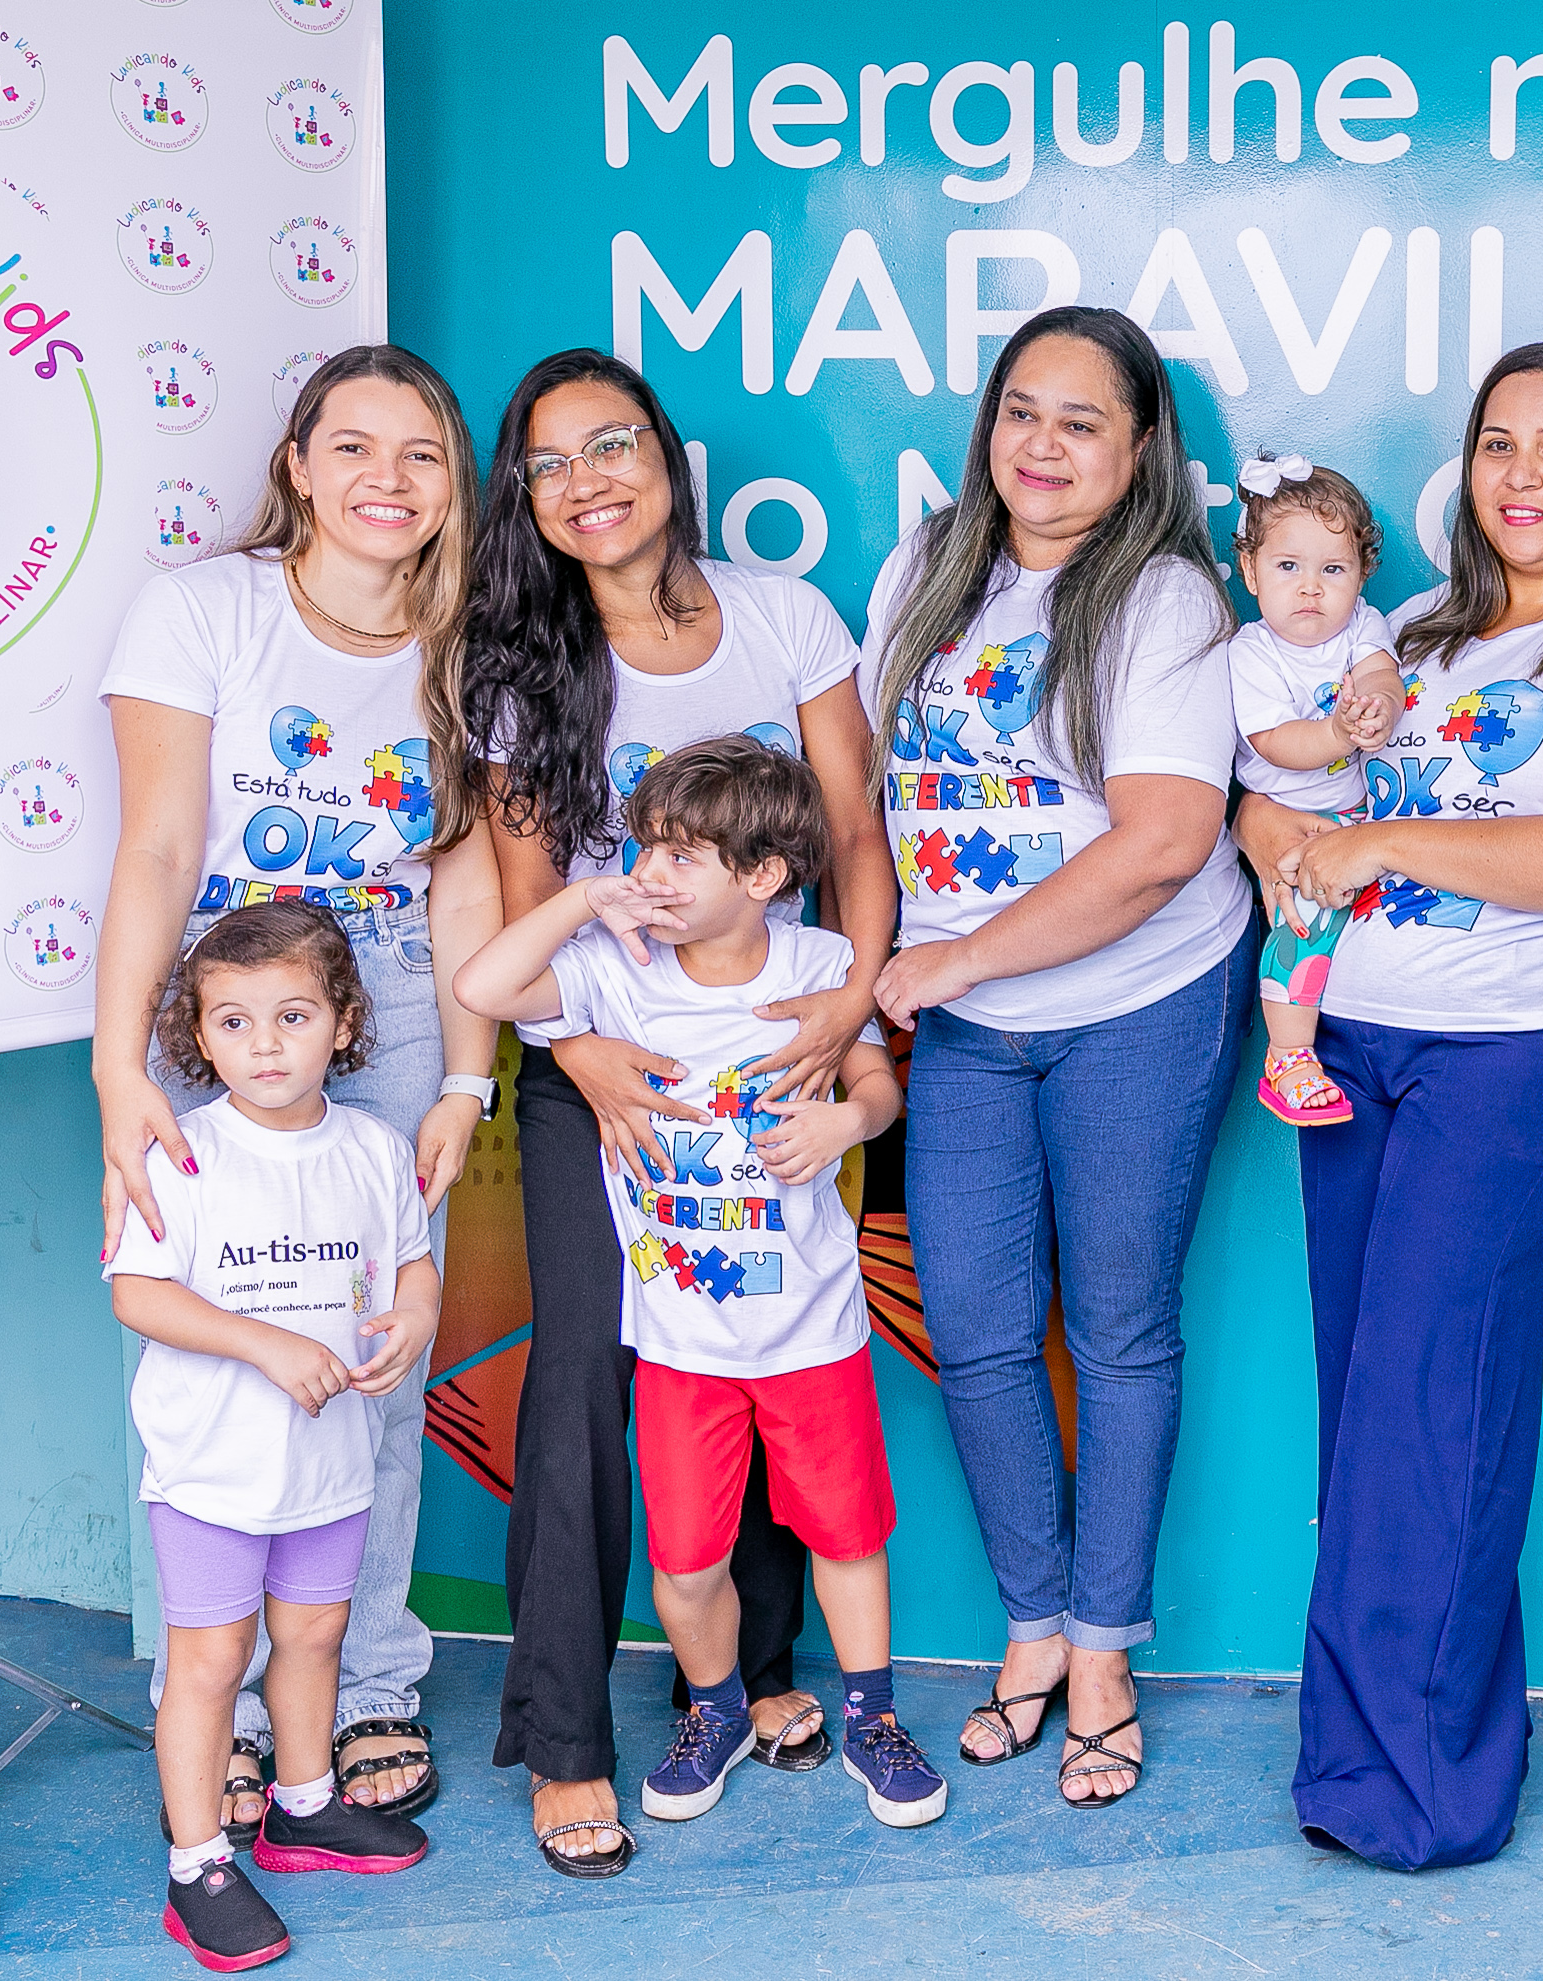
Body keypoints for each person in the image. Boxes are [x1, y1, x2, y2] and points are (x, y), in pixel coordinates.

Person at [1238, 339, 1543, 1869]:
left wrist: (1382, 850)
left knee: (1430, 1408)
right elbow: (1289, 790)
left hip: (1509, 1057)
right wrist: (1276, 834)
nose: (1521, 473)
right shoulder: (1416, 631)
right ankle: (1356, 1757)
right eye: (1498, 443)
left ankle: (1427, 1790)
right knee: (1361, 1403)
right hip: (1351, 1044)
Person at [460, 350, 897, 1875]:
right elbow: (525, 901)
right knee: (594, 1374)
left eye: (610, 445)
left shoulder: (780, 615)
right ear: (524, 497)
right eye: (548, 464)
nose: (585, 482)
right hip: (601, 1064)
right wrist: (577, 1057)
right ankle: (567, 1741)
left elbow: (852, 830)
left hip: (776, 1043)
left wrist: (848, 1005)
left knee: (765, 1342)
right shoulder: (522, 669)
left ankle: (758, 1676)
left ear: (664, 456)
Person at [95, 344, 496, 1832]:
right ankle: (217, 1695)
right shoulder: (205, 608)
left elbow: (465, 885)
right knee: (216, 1342)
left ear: (454, 485)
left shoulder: (471, 646)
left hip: (387, 994)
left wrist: (467, 1076)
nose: (387, 479)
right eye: (354, 447)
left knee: (374, 1351)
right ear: (298, 467)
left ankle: (366, 1679)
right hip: (221, 989)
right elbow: (154, 847)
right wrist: (117, 1064)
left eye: (421, 453)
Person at [861, 305, 1257, 1810]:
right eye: (1020, 411)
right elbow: (872, 799)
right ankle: (1030, 1623)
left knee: (1116, 1329)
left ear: (1140, 449)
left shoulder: (1164, 598)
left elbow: (1161, 843)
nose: (1041, 445)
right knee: (971, 1328)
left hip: (1136, 1003)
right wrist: (887, 982)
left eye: (1082, 422)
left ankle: (1102, 1650)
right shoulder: (925, 565)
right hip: (961, 1021)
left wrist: (958, 960)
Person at [456, 737, 940, 1832]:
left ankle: (872, 1717)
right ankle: (715, 1709)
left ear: (763, 875)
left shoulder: (818, 960)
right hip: (679, 1345)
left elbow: (874, 1082)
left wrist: (848, 1121)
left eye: (681, 856)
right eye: (644, 850)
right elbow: (481, 984)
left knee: (847, 1537)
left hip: (813, 1333)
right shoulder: (613, 967)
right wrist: (584, 897)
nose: (650, 874)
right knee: (684, 1561)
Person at [108, 904, 438, 1971]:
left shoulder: (375, 1149)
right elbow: (138, 1294)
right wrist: (264, 1343)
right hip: (214, 1472)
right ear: (199, 1037)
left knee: (315, 1637)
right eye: (234, 1021)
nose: (264, 1045)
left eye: (292, 1016)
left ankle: (302, 1806)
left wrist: (416, 1312)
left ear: (344, 1022)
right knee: (210, 1662)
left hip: (331, 1465)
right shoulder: (182, 1153)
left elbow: (411, 1262)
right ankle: (198, 1863)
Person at [1225, 453, 1404, 1125]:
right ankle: (1289, 1054)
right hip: (1291, 819)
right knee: (1302, 922)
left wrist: (1381, 707)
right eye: (1287, 567)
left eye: (1333, 570)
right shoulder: (1251, 652)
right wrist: (1338, 731)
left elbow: (1382, 675)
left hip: (1359, 815)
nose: (1310, 588)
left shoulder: (1361, 626)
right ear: (1250, 572)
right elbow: (1277, 744)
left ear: (1361, 575)